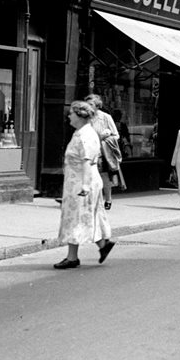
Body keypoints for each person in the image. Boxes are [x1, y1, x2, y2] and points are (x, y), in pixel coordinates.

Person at [55, 100, 116, 269]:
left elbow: (87, 162)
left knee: (75, 217)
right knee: (88, 216)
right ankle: (103, 245)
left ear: (80, 116)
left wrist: (85, 185)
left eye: (71, 113)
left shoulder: (84, 136)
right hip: (79, 180)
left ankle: (72, 257)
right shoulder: (82, 132)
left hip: (81, 181)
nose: (69, 116)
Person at [85, 94, 126, 210]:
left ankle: (108, 199)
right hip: (89, 152)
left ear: (97, 106)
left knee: (104, 178)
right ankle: (92, 201)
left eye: (91, 104)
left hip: (102, 153)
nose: (88, 107)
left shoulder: (106, 117)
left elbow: (116, 135)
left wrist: (105, 136)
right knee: (89, 178)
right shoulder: (85, 117)